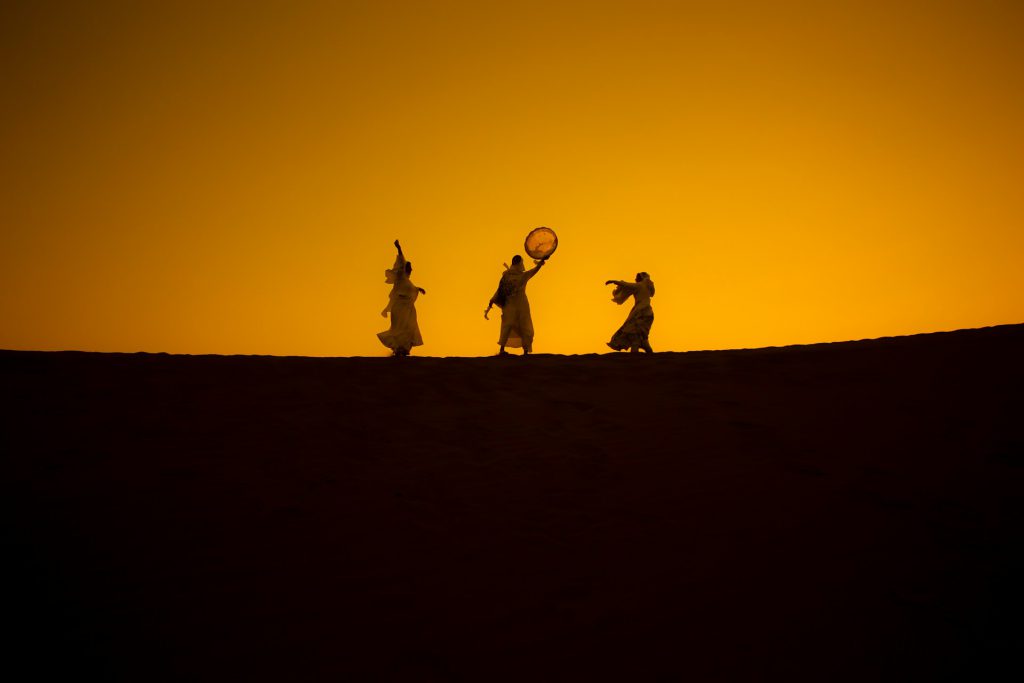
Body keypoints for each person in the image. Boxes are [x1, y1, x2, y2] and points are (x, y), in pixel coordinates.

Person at [485, 254, 546, 355]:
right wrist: (492, 299)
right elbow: (500, 290)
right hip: (512, 306)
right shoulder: (508, 276)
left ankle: (523, 351)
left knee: (520, 326)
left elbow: (534, 270)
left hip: (520, 306)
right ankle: (504, 350)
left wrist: (492, 300)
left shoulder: (516, 276)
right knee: (510, 326)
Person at [377, 239, 425, 356]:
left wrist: (418, 289)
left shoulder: (408, 282)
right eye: (410, 267)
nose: (411, 269)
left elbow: (409, 289)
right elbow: (401, 260)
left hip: (408, 309)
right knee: (399, 329)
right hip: (399, 308)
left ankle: (404, 350)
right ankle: (398, 349)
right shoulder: (400, 276)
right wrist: (399, 248)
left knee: (409, 328)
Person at [605, 272, 655, 353]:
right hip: (649, 314)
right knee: (643, 338)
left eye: (636, 278)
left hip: (640, 313)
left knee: (635, 337)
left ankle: (635, 358)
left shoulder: (639, 285)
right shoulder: (647, 287)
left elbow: (626, 285)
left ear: (640, 278)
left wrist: (613, 281)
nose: (635, 279)